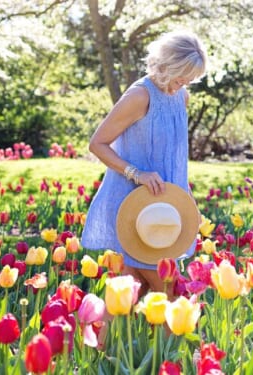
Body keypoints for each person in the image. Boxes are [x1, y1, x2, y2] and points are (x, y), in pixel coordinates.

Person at [82, 30, 208, 296]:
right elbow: (97, 144)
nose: (182, 85)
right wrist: (136, 173)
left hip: (165, 208)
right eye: (179, 77)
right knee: (172, 293)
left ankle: (87, 338)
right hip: (138, 207)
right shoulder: (140, 96)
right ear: (165, 65)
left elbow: (174, 158)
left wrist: (185, 198)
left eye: (189, 80)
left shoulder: (181, 97)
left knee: (129, 294)